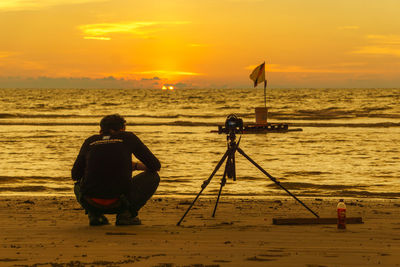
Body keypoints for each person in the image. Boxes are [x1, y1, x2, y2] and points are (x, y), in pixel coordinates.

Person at [71, 114, 161, 226]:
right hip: (119, 202)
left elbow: (75, 175)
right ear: (122, 129)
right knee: (153, 177)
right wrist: (135, 166)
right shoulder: (127, 137)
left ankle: (95, 215)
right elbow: (155, 165)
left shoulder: (90, 141)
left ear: (100, 130)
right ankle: (126, 215)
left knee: (77, 185)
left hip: (91, 202)